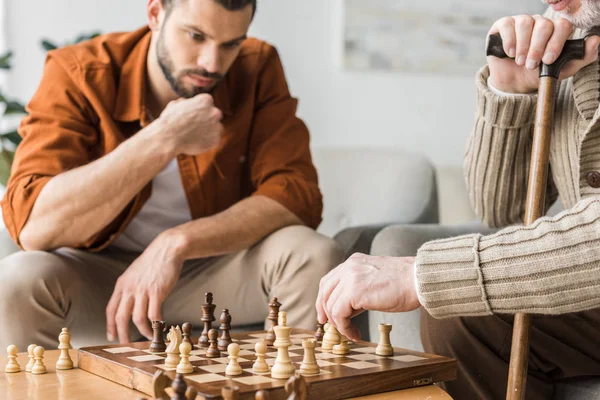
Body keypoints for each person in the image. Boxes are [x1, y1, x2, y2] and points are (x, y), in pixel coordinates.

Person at [0, 0, 343, 350]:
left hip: (209, 269)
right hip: (99, 275)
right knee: (17, 279)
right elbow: (32, 225)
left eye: (230, 44)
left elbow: (296, 195)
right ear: (155, 14)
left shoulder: (256, 65)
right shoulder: (79, 71)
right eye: (196, 36)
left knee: (312, 254)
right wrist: (163, 138)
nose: (212, 63)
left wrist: (176, 244)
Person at [317, 1, 600, 399]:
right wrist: (509, 90)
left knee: (450, 292)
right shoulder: (564, 34)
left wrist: (422, 274)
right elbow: (500, 211)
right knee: (459, 312)